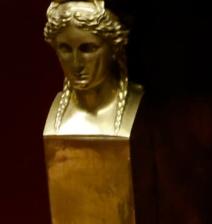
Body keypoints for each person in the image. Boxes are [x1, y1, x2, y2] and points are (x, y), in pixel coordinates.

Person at [43, 0, 142, 137]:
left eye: (88, 49)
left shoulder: (137, 104)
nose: (76, 64)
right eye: (65, 49)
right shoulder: (57, 113)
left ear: (114, 48)